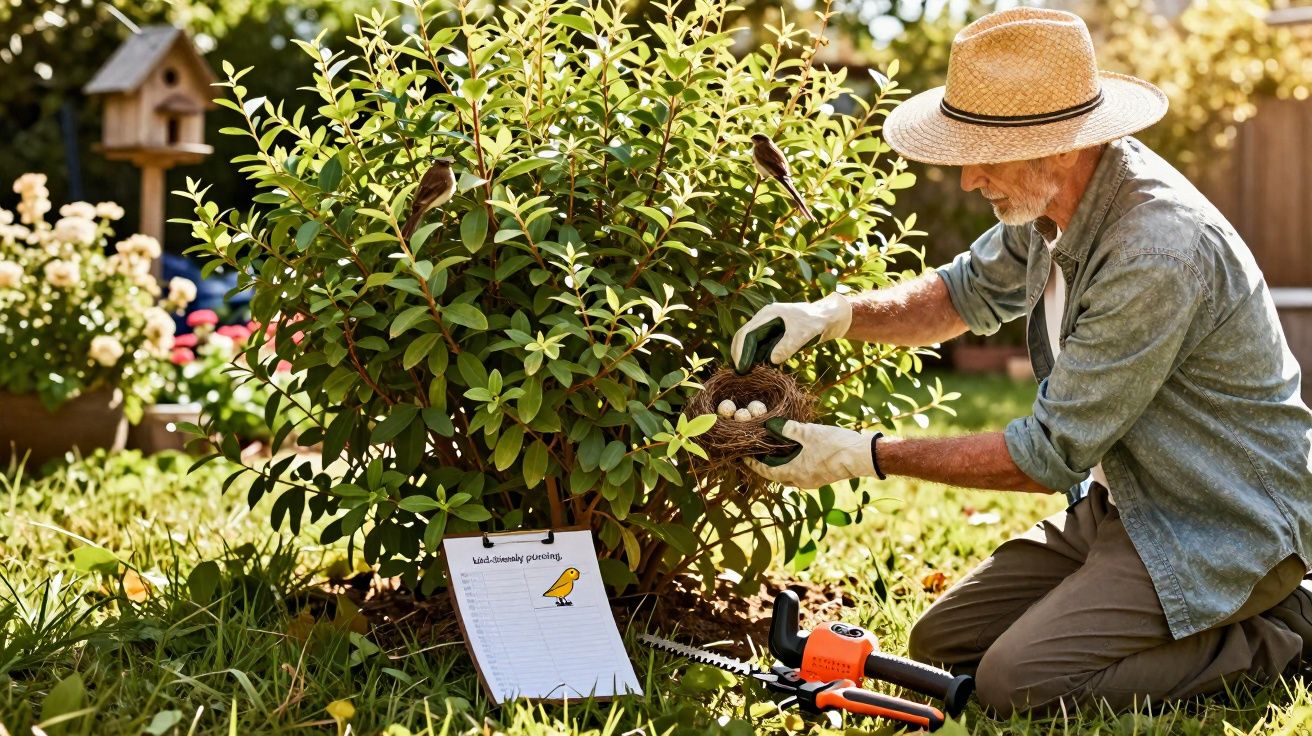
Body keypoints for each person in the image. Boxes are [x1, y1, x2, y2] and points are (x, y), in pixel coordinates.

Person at [730, 7, 1312, 717]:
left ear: (1058, 145)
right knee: (943, 641)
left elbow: (1047, 454)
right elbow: (957, 295)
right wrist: (834, 315)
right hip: (1124, 502)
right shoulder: (1052, 205)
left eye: (983, 152)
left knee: (1016, 684)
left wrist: (864, 454)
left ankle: (1280, 632)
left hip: (1219, 522)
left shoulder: (1155, 254)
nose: (969, 177)